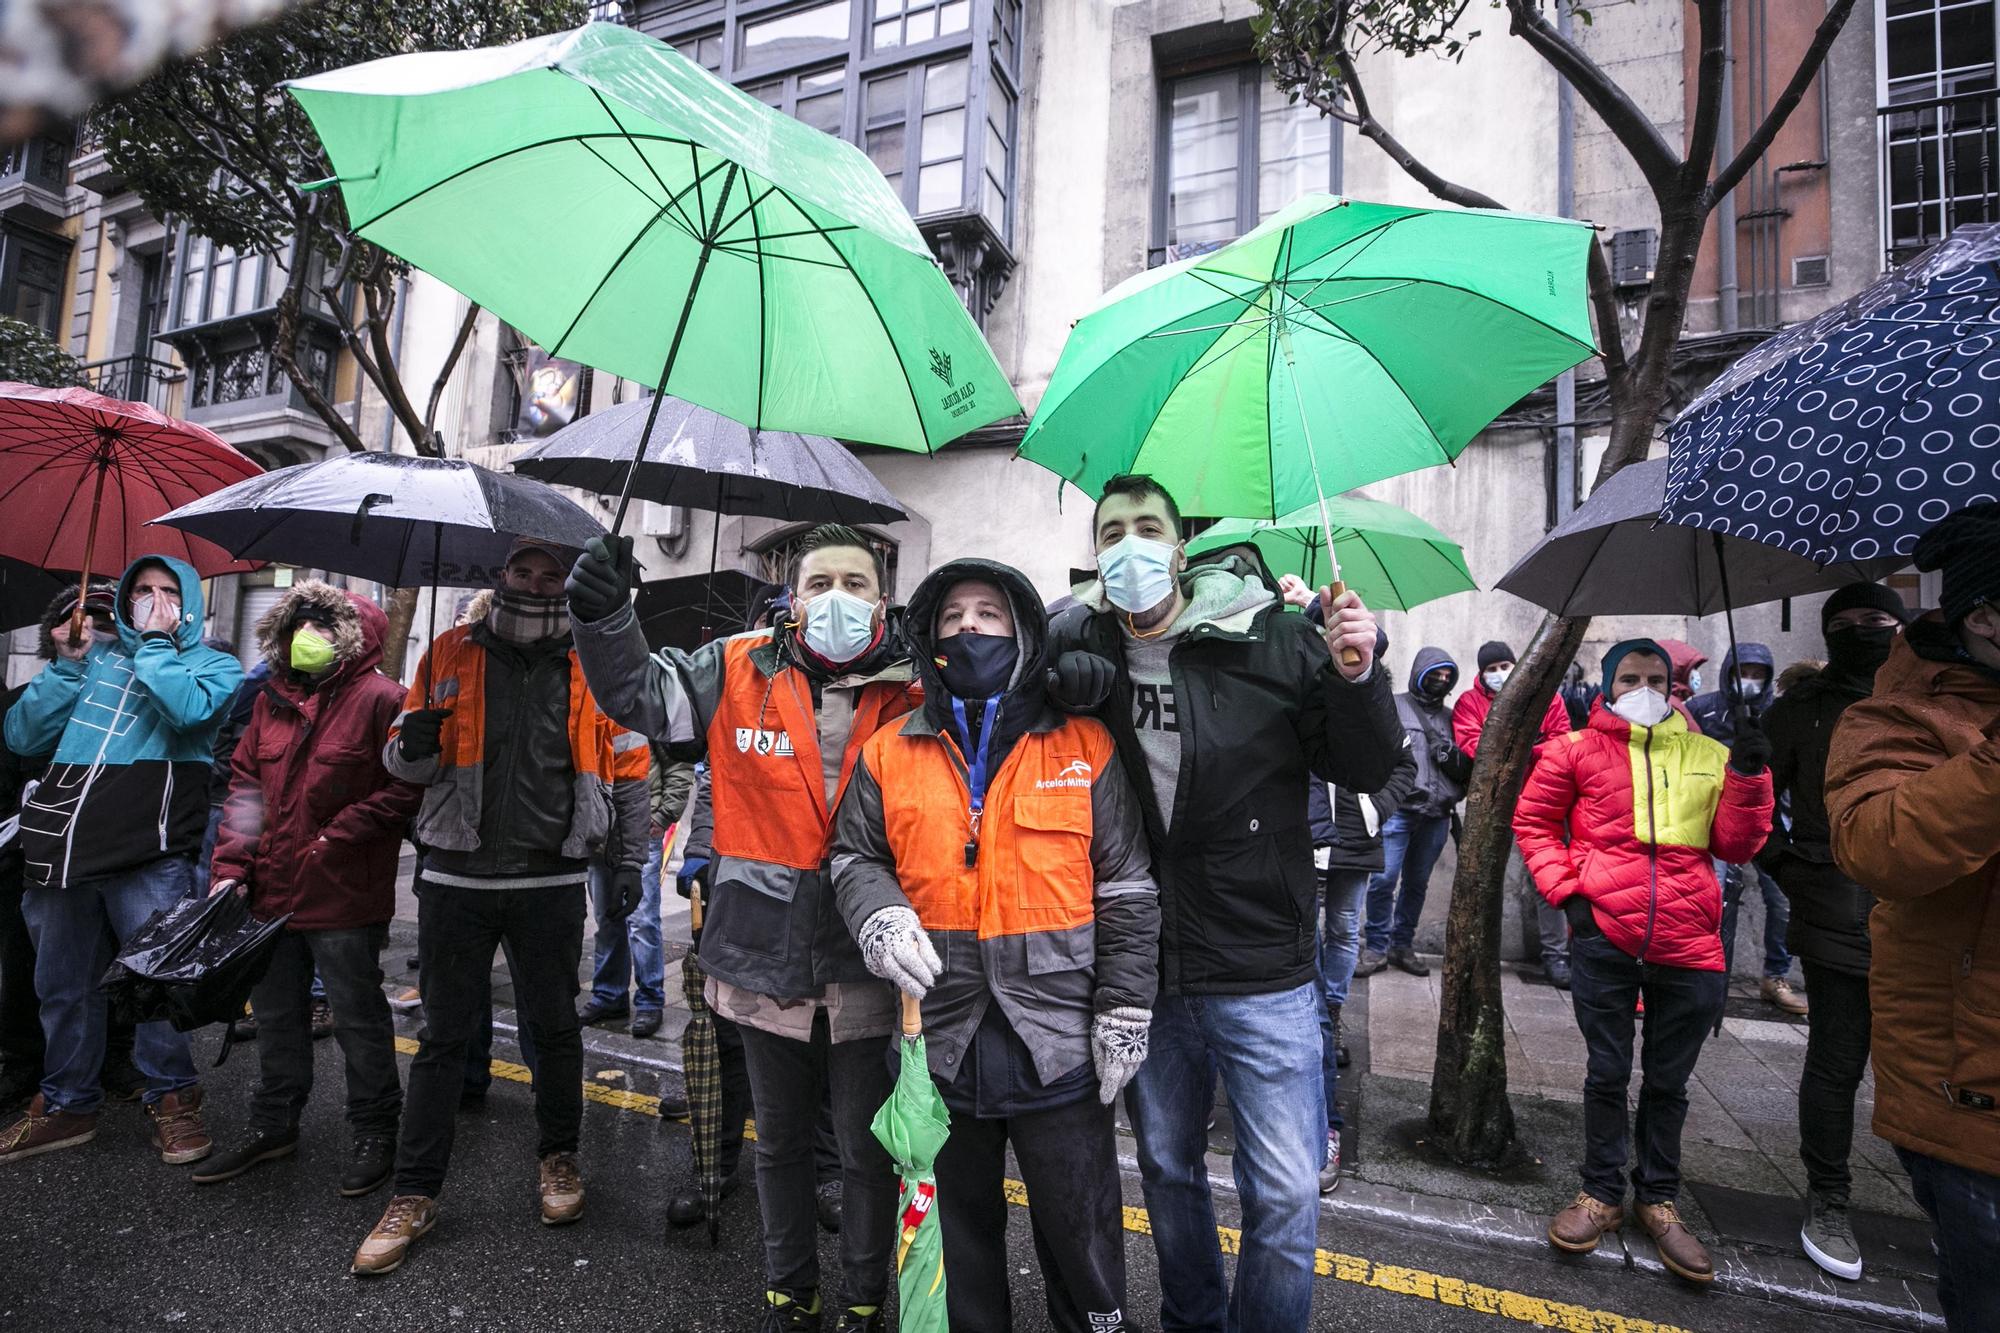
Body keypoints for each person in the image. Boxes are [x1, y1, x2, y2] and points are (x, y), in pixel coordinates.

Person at [1048, 473, 1400, 1333]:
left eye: (1148, 527)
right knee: (1168, 1169)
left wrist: (1357, 670)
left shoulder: (1273, 635)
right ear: (1097, 552)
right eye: (1112, 530)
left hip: (1264, 963)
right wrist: (1057, 682)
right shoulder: (1077, 638)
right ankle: (1191, 1321)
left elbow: (1362, 765)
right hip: (1144, 965)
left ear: (1180, 544)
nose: (1130, 545)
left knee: (1282, 1192)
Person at [568, 523, 937, 1333]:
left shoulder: (920, 685)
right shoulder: (735, 665)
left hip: (870, 957)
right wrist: (604, 620)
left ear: (884, 596)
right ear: (791, 597)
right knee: (776, 1143)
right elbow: (639, 695)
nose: (837, 597)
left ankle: (863, 1298)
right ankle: (789, 1289)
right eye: (818, 583)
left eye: (856, 582)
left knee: (870, 1150)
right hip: (759, 952)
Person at [833, 559, 1156, 1333]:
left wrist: (1124, 1001)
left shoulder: (1084, 744)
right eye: (951, 616)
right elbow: (853, 856)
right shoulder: (888, 750)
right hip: (938, 1038)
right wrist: (877, 915)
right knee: (959, 1246)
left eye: (989, 613)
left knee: (1083, 1239)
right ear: (928, 637)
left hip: (1061, 1044)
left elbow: (1129, 884)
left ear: (1023, 634)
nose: (969, 626)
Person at [350, 539, 651, 1276]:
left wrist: (631, 859)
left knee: (554, 1030)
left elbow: (634, 769)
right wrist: (406, 745)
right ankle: (415, 1193)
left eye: (554, 573)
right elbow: (405, 762)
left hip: (550, 882)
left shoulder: (593, 664)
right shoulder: (449, 651)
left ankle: (559, 1158)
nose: (538, 582)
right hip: (456, 877)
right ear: (502, 576)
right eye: (525, 570)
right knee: (444, 1038)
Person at [1514, 638, 1772, 1285]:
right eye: (1629, 676)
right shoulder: (1573, 749)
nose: (1644, 687)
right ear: (1608, 684)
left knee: (1668, 1083)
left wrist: (1750, 777)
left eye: (1655, 676)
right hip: (1606, 938)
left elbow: (1735, 843)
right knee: (1606, 1072)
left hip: (1690, 946)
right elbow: (1536, 821)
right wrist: (1570, 897)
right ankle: (1600, 1192)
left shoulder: (1707, 753)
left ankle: (1657, 1198)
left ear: (1676, 683)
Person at [0, 556, 241, 1168]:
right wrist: (67, 664)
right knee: (62, 983)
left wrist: (156, 645)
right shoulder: (94, 656)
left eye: (167, 592)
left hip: (146, 847)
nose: (153, 601)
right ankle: (67, 1102)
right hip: (64, 846)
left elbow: (189, 713)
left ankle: (173, 1100)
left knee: (155, 981)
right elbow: (23, 737)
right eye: (141, 591)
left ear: (188, 602)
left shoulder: (212, 664)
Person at [1825, 503, 2000, 1332]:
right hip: (1968, 1088)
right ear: (1984, 615)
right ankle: (1825, 1198)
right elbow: (1876, 842)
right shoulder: (1894, 718)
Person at [194, 583, 421, 1196]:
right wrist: (230, 869)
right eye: (301, 624)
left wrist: (335, 836)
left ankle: (375, 1131)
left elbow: (403, 789)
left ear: (351, 638)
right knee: (275, 1016)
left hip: (342, 895)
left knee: (357, 1017)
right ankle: (273, 1125)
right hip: (268, 892)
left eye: (324, 626)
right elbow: (245, 789)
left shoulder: (383, 700)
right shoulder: (272, 699)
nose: (308, 636)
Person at [1758, 583, 1909, 1280]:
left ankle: (1950, 1196)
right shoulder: (1800, 712)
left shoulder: (1937, 698)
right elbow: (1756, 807)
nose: (1861, 632)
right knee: (1836, 1060)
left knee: (1932, 1066)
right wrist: (1793, 869)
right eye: (1844, 623)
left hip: (1933, 919)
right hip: (1837, 913)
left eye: (1876, 620)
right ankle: (1829, 1196)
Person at [1, 582, 145, 1116]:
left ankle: (116, 1060)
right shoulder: (23, 701)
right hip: (32, 861)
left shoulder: (139, 703)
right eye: (82, 621)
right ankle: (22, 1062)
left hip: (112, 855)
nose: (93, 634)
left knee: (119, 965)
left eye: (108, 624)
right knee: (32, 970)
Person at [1305, 634, 1415, 1193]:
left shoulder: (1377, 705)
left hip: (1353, 842)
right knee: (1311, 935)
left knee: (1345, 930)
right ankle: (1322, 1014)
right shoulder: (1303, 696)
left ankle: (1335, 1007)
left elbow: (1404, 764)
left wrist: (1374, 809)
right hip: (1306, 846)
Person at [1453, 639, 1577, 986]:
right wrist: (1528, 746)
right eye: (1491, 669)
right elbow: (1474, 745)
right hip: (1493, 801)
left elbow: (1561, 743)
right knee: (1481, 877)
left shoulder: (1547, 697)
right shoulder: (1470, 703)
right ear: (1481, 674)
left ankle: (1556, 956)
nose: (1499, 674)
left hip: (1541, 800)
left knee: (1546, 879)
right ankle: (1475, 952)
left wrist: (1513, 747)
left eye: (1504, 666)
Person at [1689, 643, 1804, 1016]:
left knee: (1782, 901)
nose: (1750, 682)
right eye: (1743, 673)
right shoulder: (1702, 709)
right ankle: (1708, 976)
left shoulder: (1779, 714)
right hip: (1717, 821)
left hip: (1769, 821)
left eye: (1758, 675)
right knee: (1715, 898)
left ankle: (1775, 975)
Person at [1358, 646, 1467, 979]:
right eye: (1435, 673)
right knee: (1383, 880)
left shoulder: (1453, 719)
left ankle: (1402, 945)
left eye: (1448, 675)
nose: (1441, 680)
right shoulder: (1395, 706)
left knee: (1417, 883)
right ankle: (1376, 946)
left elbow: (1467, 762)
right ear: (1419, 672)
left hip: (1437, 814)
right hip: (1399, 811)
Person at [579, 747, 694, 1038]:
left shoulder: (641, 707)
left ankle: (649, 1000)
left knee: (642, 921)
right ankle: (609, 995)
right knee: (606, 919)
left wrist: (664, 814)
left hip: (640, 828)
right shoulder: (589, 705)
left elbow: (679, 763)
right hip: (599, 830)